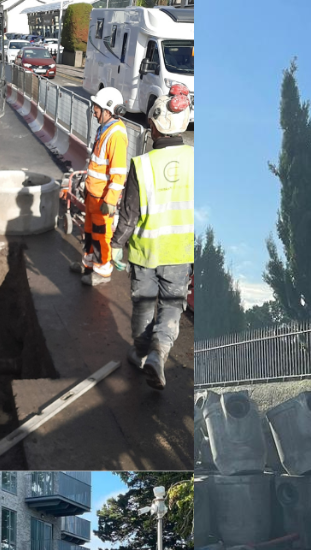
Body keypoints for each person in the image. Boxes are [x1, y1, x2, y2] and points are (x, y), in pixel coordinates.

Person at [112, 85, 193, 389]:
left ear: (154, 125)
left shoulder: (142, 165)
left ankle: (141, 352)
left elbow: (129, 214)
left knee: (144, 305)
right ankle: (159, 353)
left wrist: (116, 245)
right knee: (172, 305)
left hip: (145, 253)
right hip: (180, 253)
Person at [72, 87, 128, 285]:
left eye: (96, 108)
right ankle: (88, 263)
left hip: (102, 199)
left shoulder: (116, 135)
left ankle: (102, 271)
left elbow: (118, 172)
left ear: (108, 110)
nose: (94, 111)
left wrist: (110, 200)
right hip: (93, 195)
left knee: (101, 235)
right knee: (89, 232)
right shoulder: (104, 129)